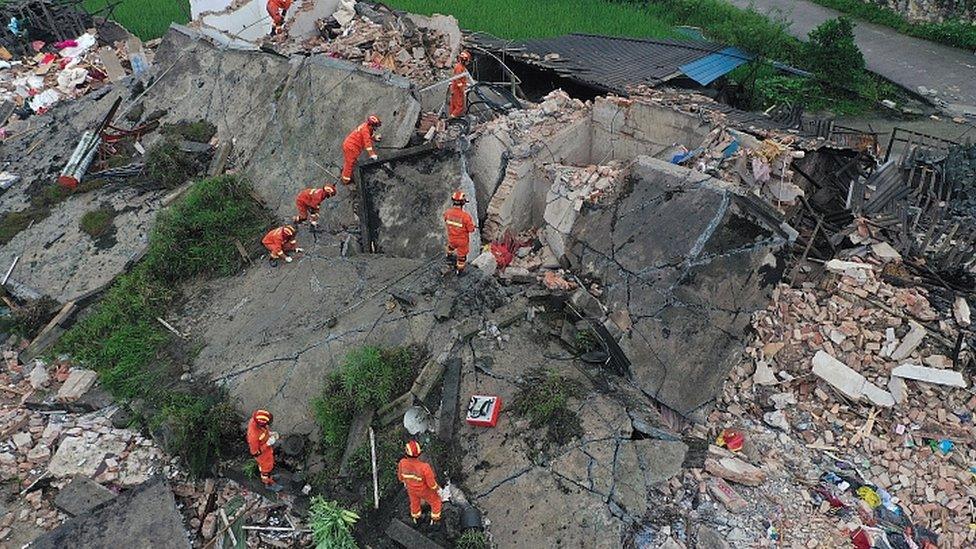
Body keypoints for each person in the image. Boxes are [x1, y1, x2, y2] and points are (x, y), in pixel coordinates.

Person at [396, 440, 442, 525]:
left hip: (411, 490)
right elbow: (431, 484)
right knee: (436, 501)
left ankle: (416, 518)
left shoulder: (402, 463)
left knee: (415, 503)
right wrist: (437, 489)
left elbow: (400, 477)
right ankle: (435, 520)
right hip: (424, 490)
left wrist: (406, 482)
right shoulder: (424, 467)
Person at [246, 409, 282, 491]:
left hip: (268, 452)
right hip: (263, 456)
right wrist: (267, 443)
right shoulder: (253, 435)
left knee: (270, 467)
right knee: (265, 471)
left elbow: (263, 431)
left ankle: (270, 477)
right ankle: (268, 483)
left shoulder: (257, 421)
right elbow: (255, 453)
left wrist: (270, 433)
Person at [341, 115, 381, 185]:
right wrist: (372, 154)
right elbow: (367, 144)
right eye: (376, 126)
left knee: (352, 162)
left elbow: (369, 135)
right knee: (350, 163)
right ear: (371, 125)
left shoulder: (367, 127)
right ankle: (346, 180)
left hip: (352, 146)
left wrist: (375, 138)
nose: (376, 127)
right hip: (351, 147)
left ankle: (350, 174)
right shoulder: (365, 130)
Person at [443, 190, 475, 276]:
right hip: (462, 241)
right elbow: (471, 230)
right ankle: (459, 272)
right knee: (461, 257)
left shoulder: (447, 213)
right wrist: (472, 226)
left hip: (452, 238)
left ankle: (448, 256)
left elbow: (446, 220)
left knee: (450, 247)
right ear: (462, 203)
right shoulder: (466, 217)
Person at [449, 51, 472, 118]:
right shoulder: (459, 68)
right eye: (467, 61)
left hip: (455, 89)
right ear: (464, 60)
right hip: (457, 90)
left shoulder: (460, 66)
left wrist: (466, 84)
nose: (468, 62)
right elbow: (458, 80)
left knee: (454, 105)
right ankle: (451, 118)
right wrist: (463, 89)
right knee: (459, 106)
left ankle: (452, 117)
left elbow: (461, 79)